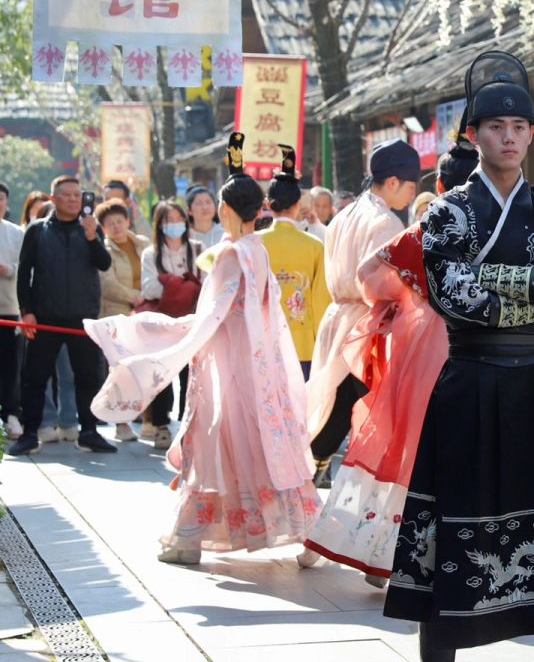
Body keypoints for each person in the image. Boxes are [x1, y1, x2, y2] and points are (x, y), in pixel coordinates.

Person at [384, 53, 534, 662]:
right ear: (473, 134)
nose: (509, 137)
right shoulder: (447, 212)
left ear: (531, 134)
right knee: (458, 513)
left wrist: (496, 282)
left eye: (519, 127)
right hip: (470, 380)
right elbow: (454, 298)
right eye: (496, 127)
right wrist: (532, 286)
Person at [86, 170, 320, 565]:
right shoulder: (256, 249)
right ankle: (309, 532)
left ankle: (188, 539)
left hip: (227, 368)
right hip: (257, 367)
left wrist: (159, 331)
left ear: (225, 209)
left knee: (214, 445)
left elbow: (212, 315)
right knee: (264, 446)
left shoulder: (232, 253)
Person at [301, 218, 450, 579]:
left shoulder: (431, 225)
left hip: (420, 348)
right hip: (475, 355)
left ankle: (374, 549)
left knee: (396, 443)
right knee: (438, 454)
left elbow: (370, 274)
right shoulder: (503, 221)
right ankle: (397, 553)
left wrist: (404, 299)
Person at [306, 141, 420, 487]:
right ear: (393, 182)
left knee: (332, 401)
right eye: (411, 186)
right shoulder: (384, 221)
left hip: (338, 316)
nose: (413, 194)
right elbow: (382, 284)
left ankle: (311, 472)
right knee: (363, 406)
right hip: (367, 323)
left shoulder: (344, 215)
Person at [9, 176, 117, 456]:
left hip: (83, 317)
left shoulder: (91, 228)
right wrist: (27, 311)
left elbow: (104, 263)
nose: (73, 199)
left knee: (88, 376)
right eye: (66, 195)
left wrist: (92, 237)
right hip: (45, 316)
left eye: (77, 195)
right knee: (35, 377)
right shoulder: (37, 230)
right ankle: (30, 434)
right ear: (53, 199)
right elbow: (24, 273)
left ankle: (89, 432)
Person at [257, 155, 331, 379]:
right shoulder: (314, 246)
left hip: (263, 342)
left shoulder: (254, 244)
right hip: (303, 344)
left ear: (268, 205)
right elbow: (321, 301)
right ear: (298, 204)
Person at [141, 200, 202, 448]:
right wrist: (183, 285)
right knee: (161, 374)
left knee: (191, 375)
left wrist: (170, 283)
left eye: (179, 219)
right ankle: (161, 424)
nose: (175, 224)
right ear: (159, 224)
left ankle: (188, 425)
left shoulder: (197, 249)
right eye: (169, 220)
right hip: (162, 323)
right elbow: (149, 288)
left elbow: (205, 283)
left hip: (191, 322)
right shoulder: (151, 254)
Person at [97, 200, 152, 441]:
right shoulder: (104, 251)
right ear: (103, 228)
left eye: (120, 221)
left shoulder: (143, 244)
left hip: (146, 313)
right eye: (110, 224)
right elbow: (108, 284)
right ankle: (122, 423)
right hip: (117, 315)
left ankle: (150, 420)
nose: (116, 227)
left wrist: (147, 297)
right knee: (120, 372)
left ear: (128, 221)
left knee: (147, 369)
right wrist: (135, 297)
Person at [0, 182, 24, 437]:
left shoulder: (17, 233)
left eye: (1, 199)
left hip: (9, 309)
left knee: (10, 366)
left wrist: (9, 270)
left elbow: (27, 269)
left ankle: (11, 415)